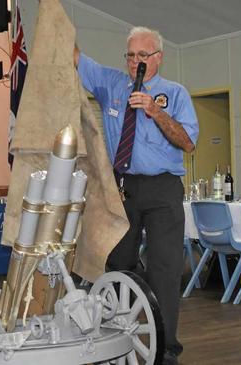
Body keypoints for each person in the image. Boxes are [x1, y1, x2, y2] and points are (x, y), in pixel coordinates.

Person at [75, 26, 199, 364]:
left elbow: (188, 143)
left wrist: (155, 111)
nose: (135, 62)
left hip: (163, 188)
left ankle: (167, 348)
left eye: (142, 56)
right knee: (118, 264)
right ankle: (116, 337)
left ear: (158, 58)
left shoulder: (175, 94)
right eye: (130, 55)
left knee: (165, 268)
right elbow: (74, 56)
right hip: (122, 186)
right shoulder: (111, 84)